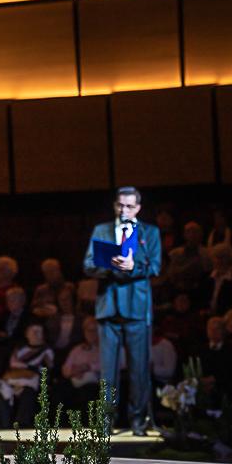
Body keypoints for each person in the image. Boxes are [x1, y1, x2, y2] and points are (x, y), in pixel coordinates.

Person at [83, 186, 162, 435]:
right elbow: (88, 264)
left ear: (138, 208)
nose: (124, 210)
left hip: (137, 309)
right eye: (120, 205)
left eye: (129, 206)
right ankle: (106, 421)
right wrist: (110, 265)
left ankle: (138, 420)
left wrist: (132, 266)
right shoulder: (102, 230)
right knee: (109, 371)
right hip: (109, 307)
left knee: (139, 369)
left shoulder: (149, 232)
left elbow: (155, 266)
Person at [0, 323, 54, 428]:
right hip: (14, 378)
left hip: (33, 380)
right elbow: (13, 364)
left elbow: (46, 369)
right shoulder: (20, 349)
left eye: (38, 331)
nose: (35, 334)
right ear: (27, 334)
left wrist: (26, 366)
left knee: (28, 391)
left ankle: (21, 425)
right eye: (32, 331)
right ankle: (6, 424)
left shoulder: (46, 351)